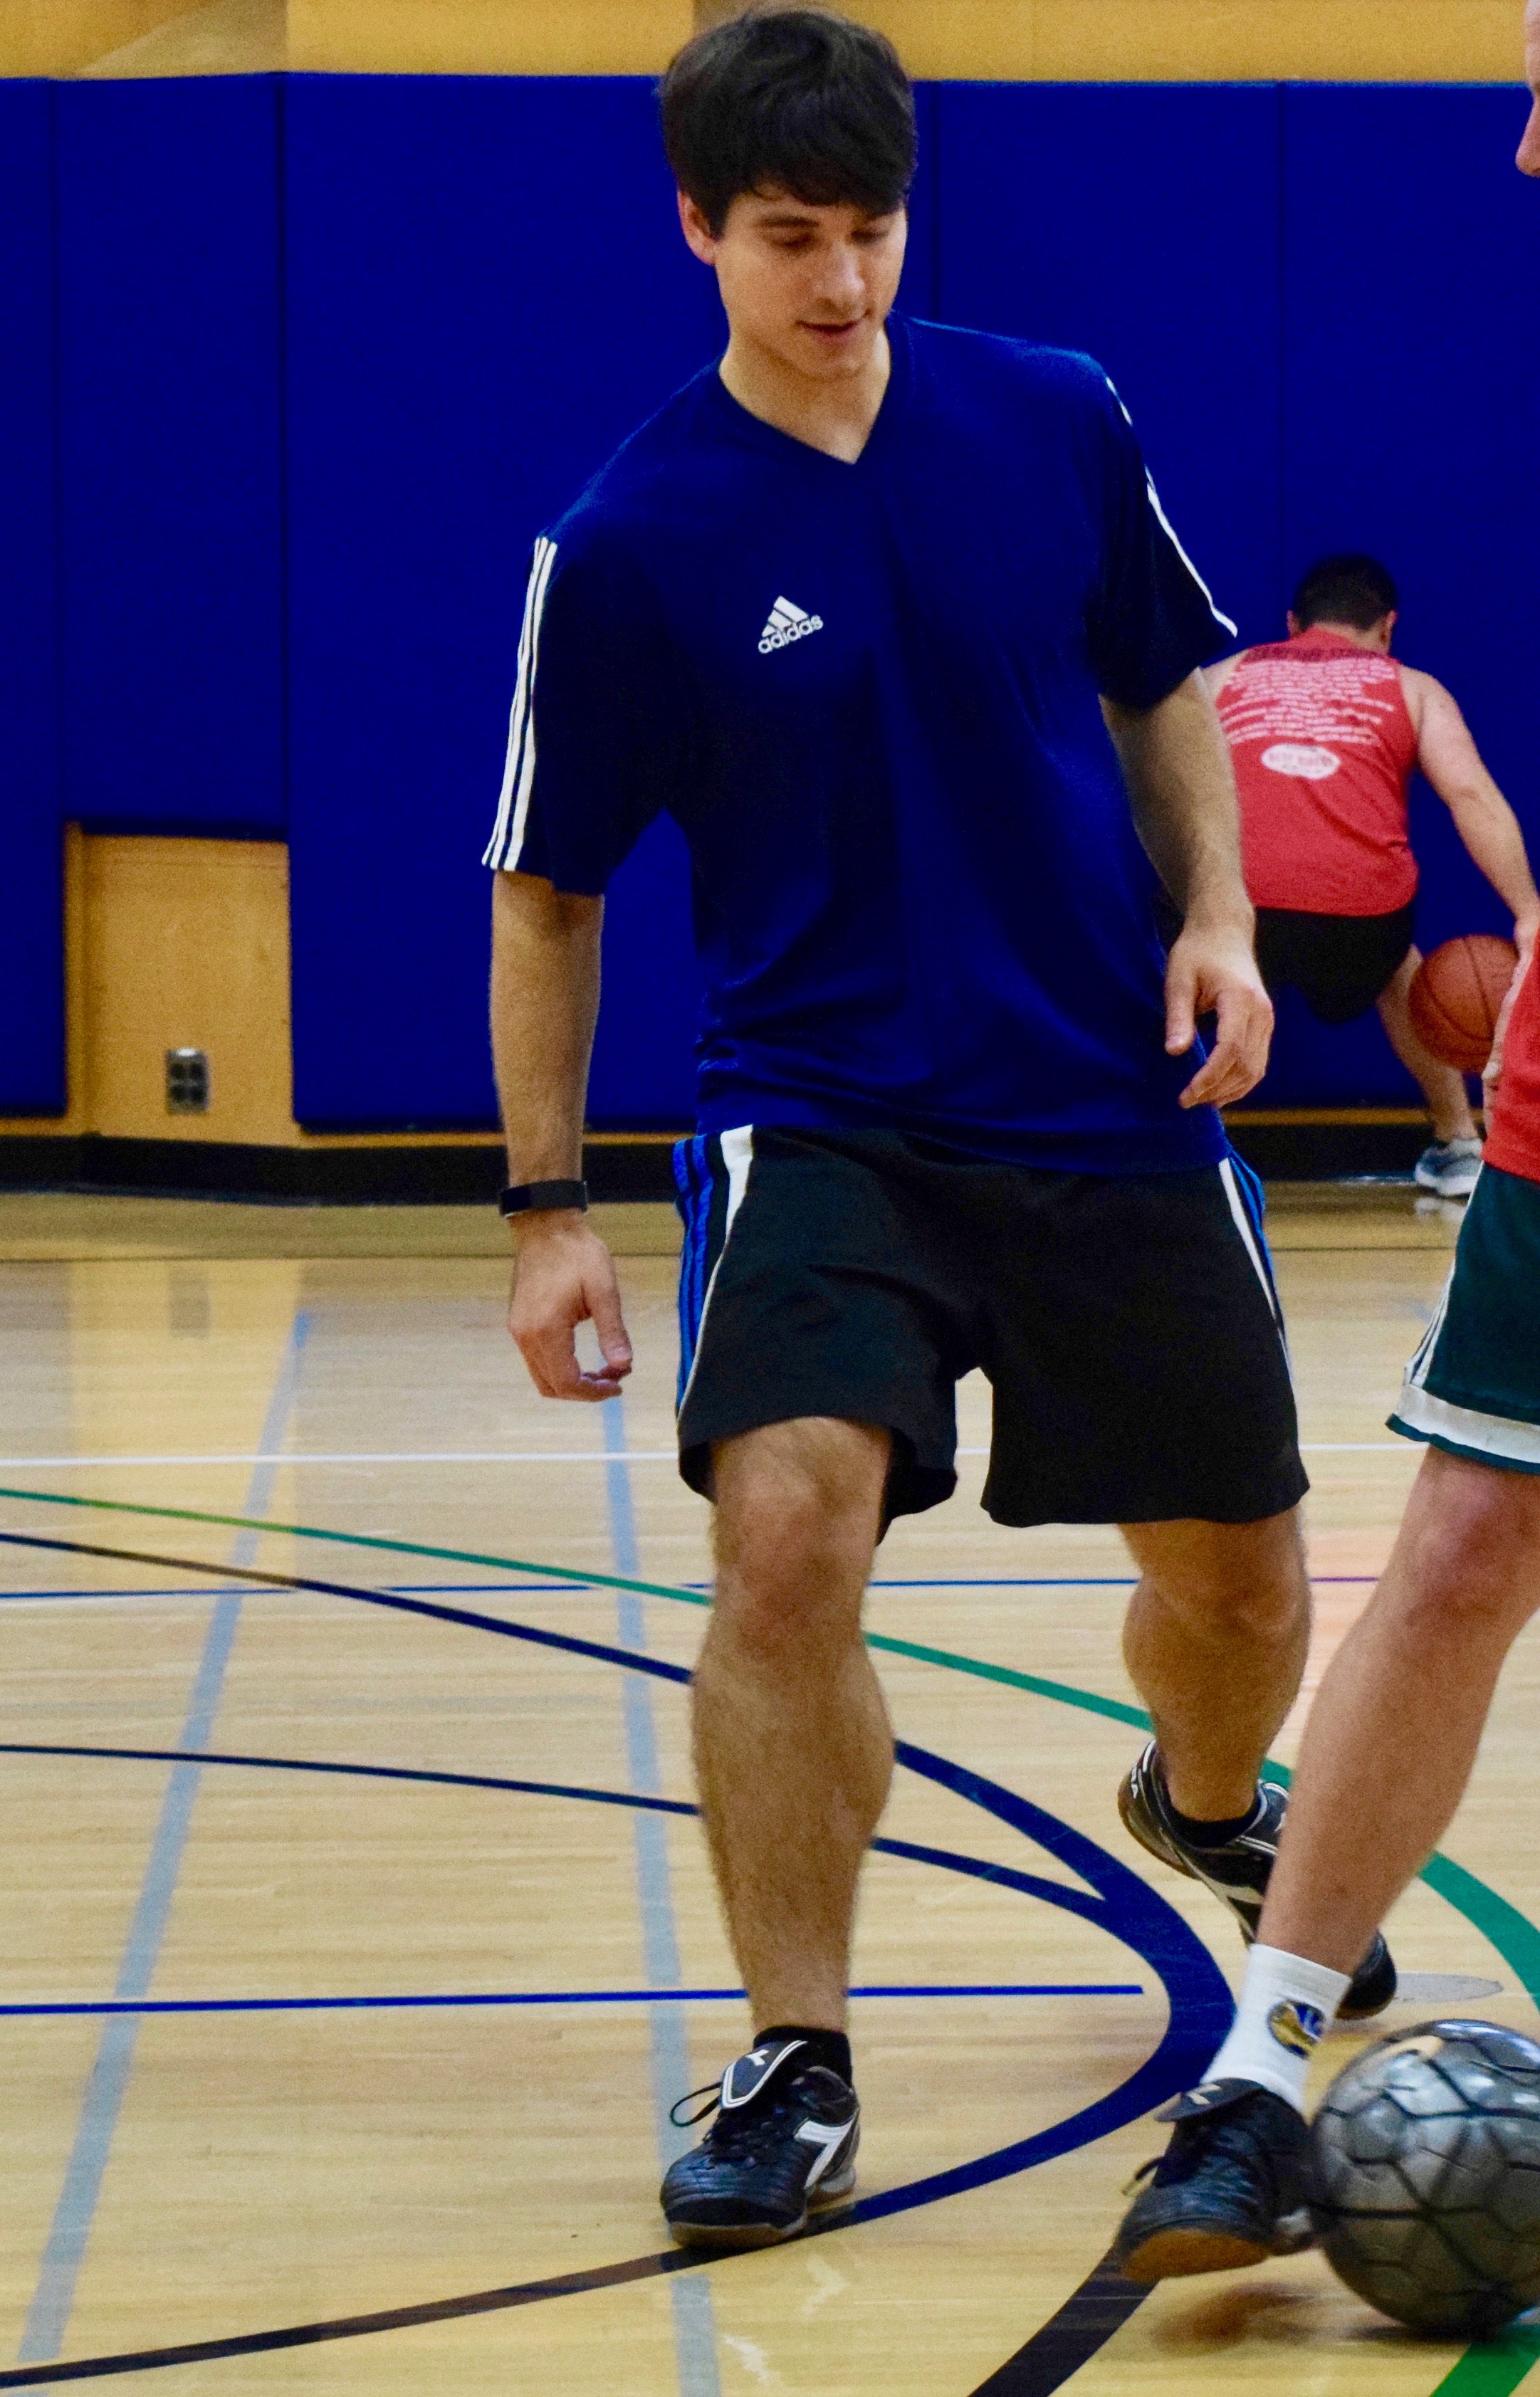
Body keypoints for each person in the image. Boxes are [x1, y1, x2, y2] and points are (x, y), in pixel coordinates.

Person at [487, 6, 1393, 2255]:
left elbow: (1158, 681)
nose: (843, 284)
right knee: (784, 1542)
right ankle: (798, 2052)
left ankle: (1203, 1796)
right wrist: (542, 1210)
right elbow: (550, 891)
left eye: (874, 231)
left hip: (1108, 1091)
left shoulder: (1053, 414)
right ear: (695, 226)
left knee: (1244, 1584)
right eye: (790, 237)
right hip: (822, 1114)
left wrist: (1219, 918)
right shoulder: (626, 542)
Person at [1114, 0, 1540, 2280]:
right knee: (1465, 1535)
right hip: (1427, 962)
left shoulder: (1311, 666)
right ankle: (1261, 2072)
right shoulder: (1389, 682)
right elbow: (1472, 817)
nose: (1527, 144)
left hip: (1287, 922)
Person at [1205, 555, 1539, 1200]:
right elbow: (1470, 796)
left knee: (1191, 969)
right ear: (1386, 627)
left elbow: (1150, 789)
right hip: (1362, 925)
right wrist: (1528, 910)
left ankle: (1180, 1153)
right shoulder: (1412, 686)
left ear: (1291, 623)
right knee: (1404, 973)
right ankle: (1458, 1145)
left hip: (1239, 913)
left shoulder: (1220, 676)